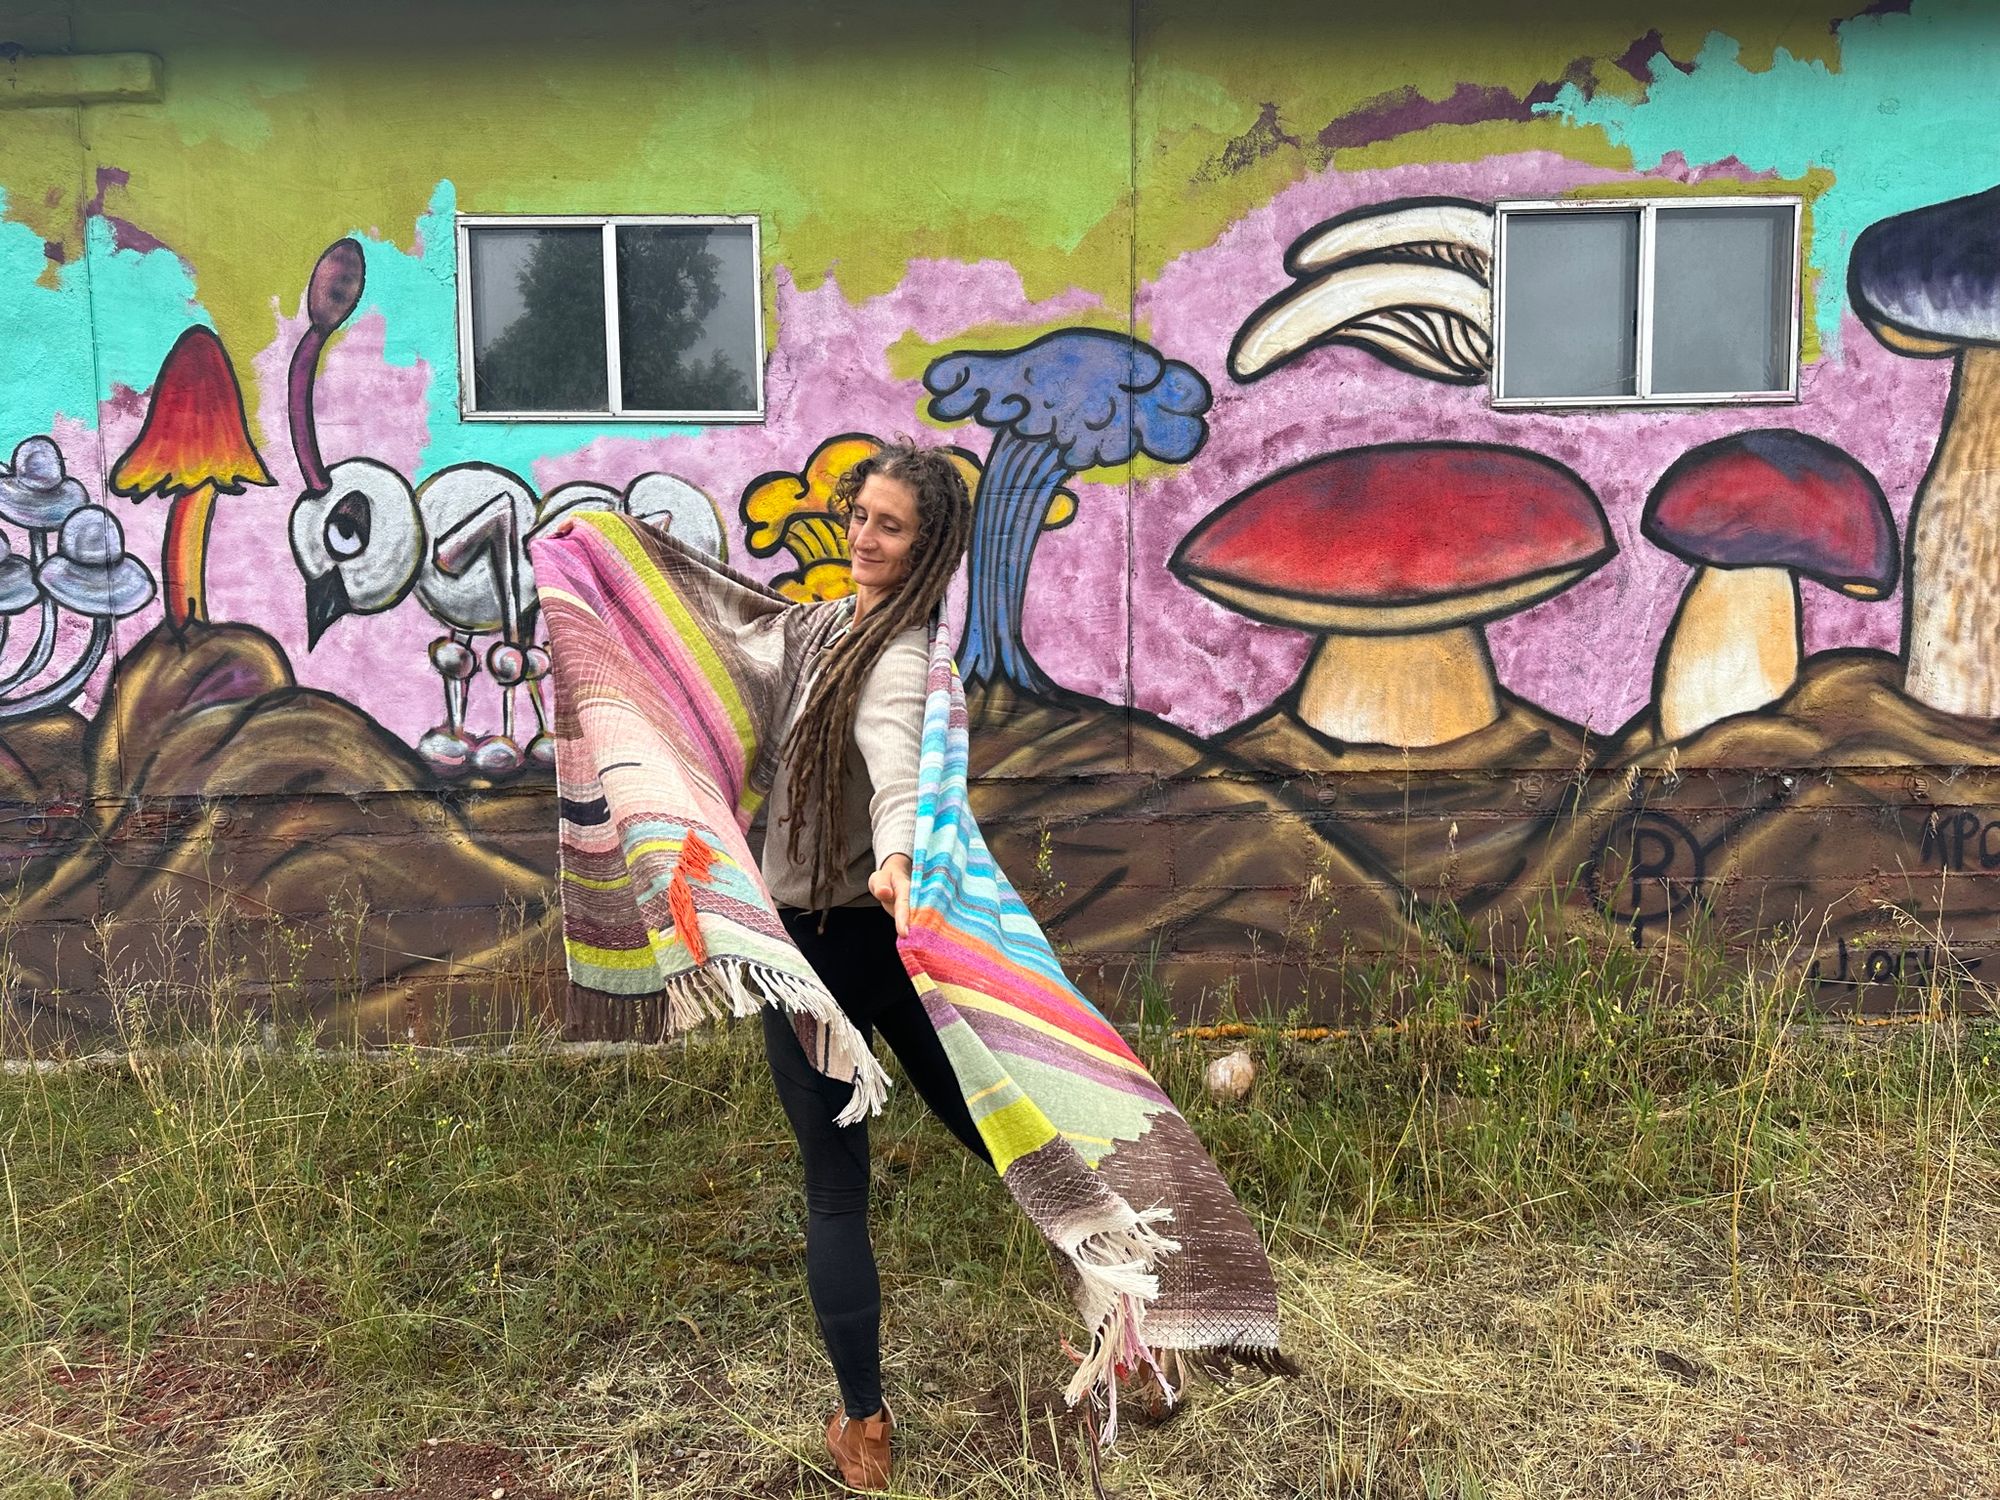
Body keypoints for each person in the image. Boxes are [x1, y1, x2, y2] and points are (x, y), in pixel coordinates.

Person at [756, 443, 988, 1492]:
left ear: (927, 545)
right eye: (859, 515)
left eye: (888, 527)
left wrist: (896, 854)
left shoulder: (896, 658)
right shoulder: (832, 628)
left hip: (830, 942)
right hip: (871, 940)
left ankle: (864, 1427)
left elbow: (894, 762)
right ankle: (1129, 1305)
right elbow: (735, 627)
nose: (861, 536)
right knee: (993, 1130)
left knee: (835, 1195)